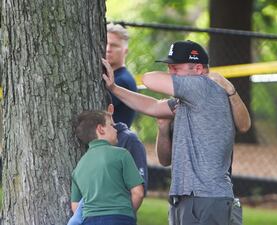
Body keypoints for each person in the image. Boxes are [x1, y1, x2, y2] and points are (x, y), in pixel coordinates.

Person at [102, 40, 250, 225]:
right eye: (169, 68)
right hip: (188, 197)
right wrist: (114, 88)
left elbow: (149, 79)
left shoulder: (202, 87)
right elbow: (153, 106)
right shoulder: (186, 101)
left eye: (175, 68)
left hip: (205, 197)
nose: (170, 73)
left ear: (198, 69)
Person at [67, 95, 148, 225]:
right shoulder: (122, 155)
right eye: (111, 125)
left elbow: (76, 206)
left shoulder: (79, 167)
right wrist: (126, 213)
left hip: (90, 220)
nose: (115, 129)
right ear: (101, 129)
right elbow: (138, 192)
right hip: (120, 218)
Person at [106, 23, 138, 127]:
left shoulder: (122, 81)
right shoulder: (114, 77)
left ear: (125, 51)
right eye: (106, 43)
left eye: (114, 45)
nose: (108, 49)